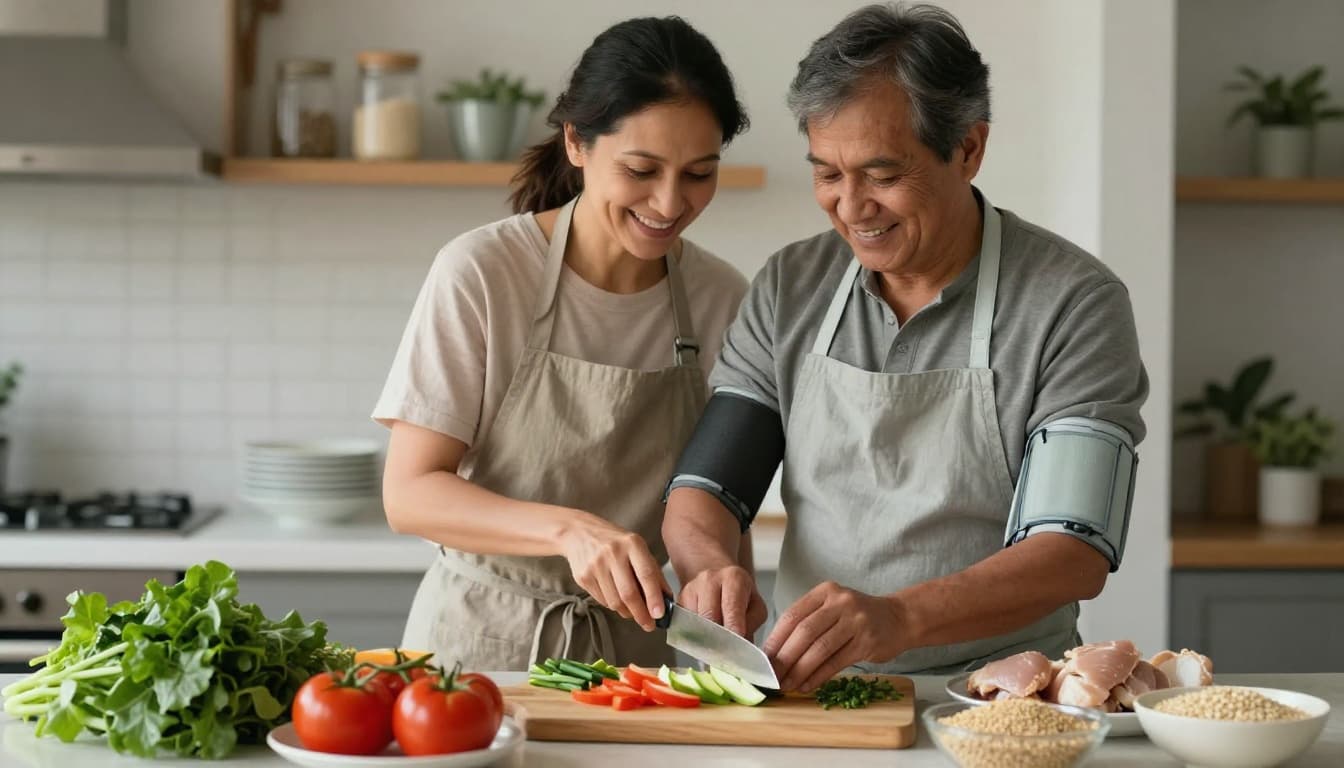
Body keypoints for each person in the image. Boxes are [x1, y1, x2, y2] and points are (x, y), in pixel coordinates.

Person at [663, 2, 1149, 692]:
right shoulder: (790, 286)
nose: (851, 206)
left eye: (883, 176)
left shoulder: (1073, 302)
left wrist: (900, 618)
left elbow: (1072, 552)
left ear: (969, 149)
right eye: (828, 174)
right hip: (815, 692)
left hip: (1003, 695)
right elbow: (707, 490)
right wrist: (707, 564)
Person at [373, 16, 750, 671]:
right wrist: (571, 530)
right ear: (576, 141)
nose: (670, 202)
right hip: (480, 650)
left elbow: (718, 505)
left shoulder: (722, 299)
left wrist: (719, 577)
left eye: (699, 173)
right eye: (642, 169)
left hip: (641, 662)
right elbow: (409, 493)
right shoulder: (484, 273)